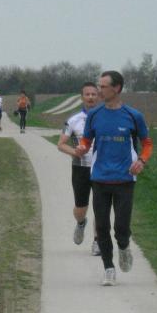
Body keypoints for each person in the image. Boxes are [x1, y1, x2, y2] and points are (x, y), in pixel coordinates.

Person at [75, 71, 153, 286]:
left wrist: (142, 161)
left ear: (116, 88)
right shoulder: (95, 115)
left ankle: (124, 246)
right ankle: (108, 268)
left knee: (121, 228)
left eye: (103, 86)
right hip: (100, 179)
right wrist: (82, 148)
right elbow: (86, 140)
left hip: (124, 180)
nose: (99, 90)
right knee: (101, 227)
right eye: (99, 86)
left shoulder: (133, 115)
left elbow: (147, 144)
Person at [57, 82, 100, 255]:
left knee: (101, 207)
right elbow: (61, 144)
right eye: (87, 94)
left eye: (94, 94)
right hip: (80, 168)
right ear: (82, 97)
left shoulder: (106, 118)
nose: (90, 97)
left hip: (102, 169)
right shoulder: (73, 120)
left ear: (98, 97)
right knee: (80, 208)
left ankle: (98, 241)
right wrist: (76, 152)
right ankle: (81, 223)